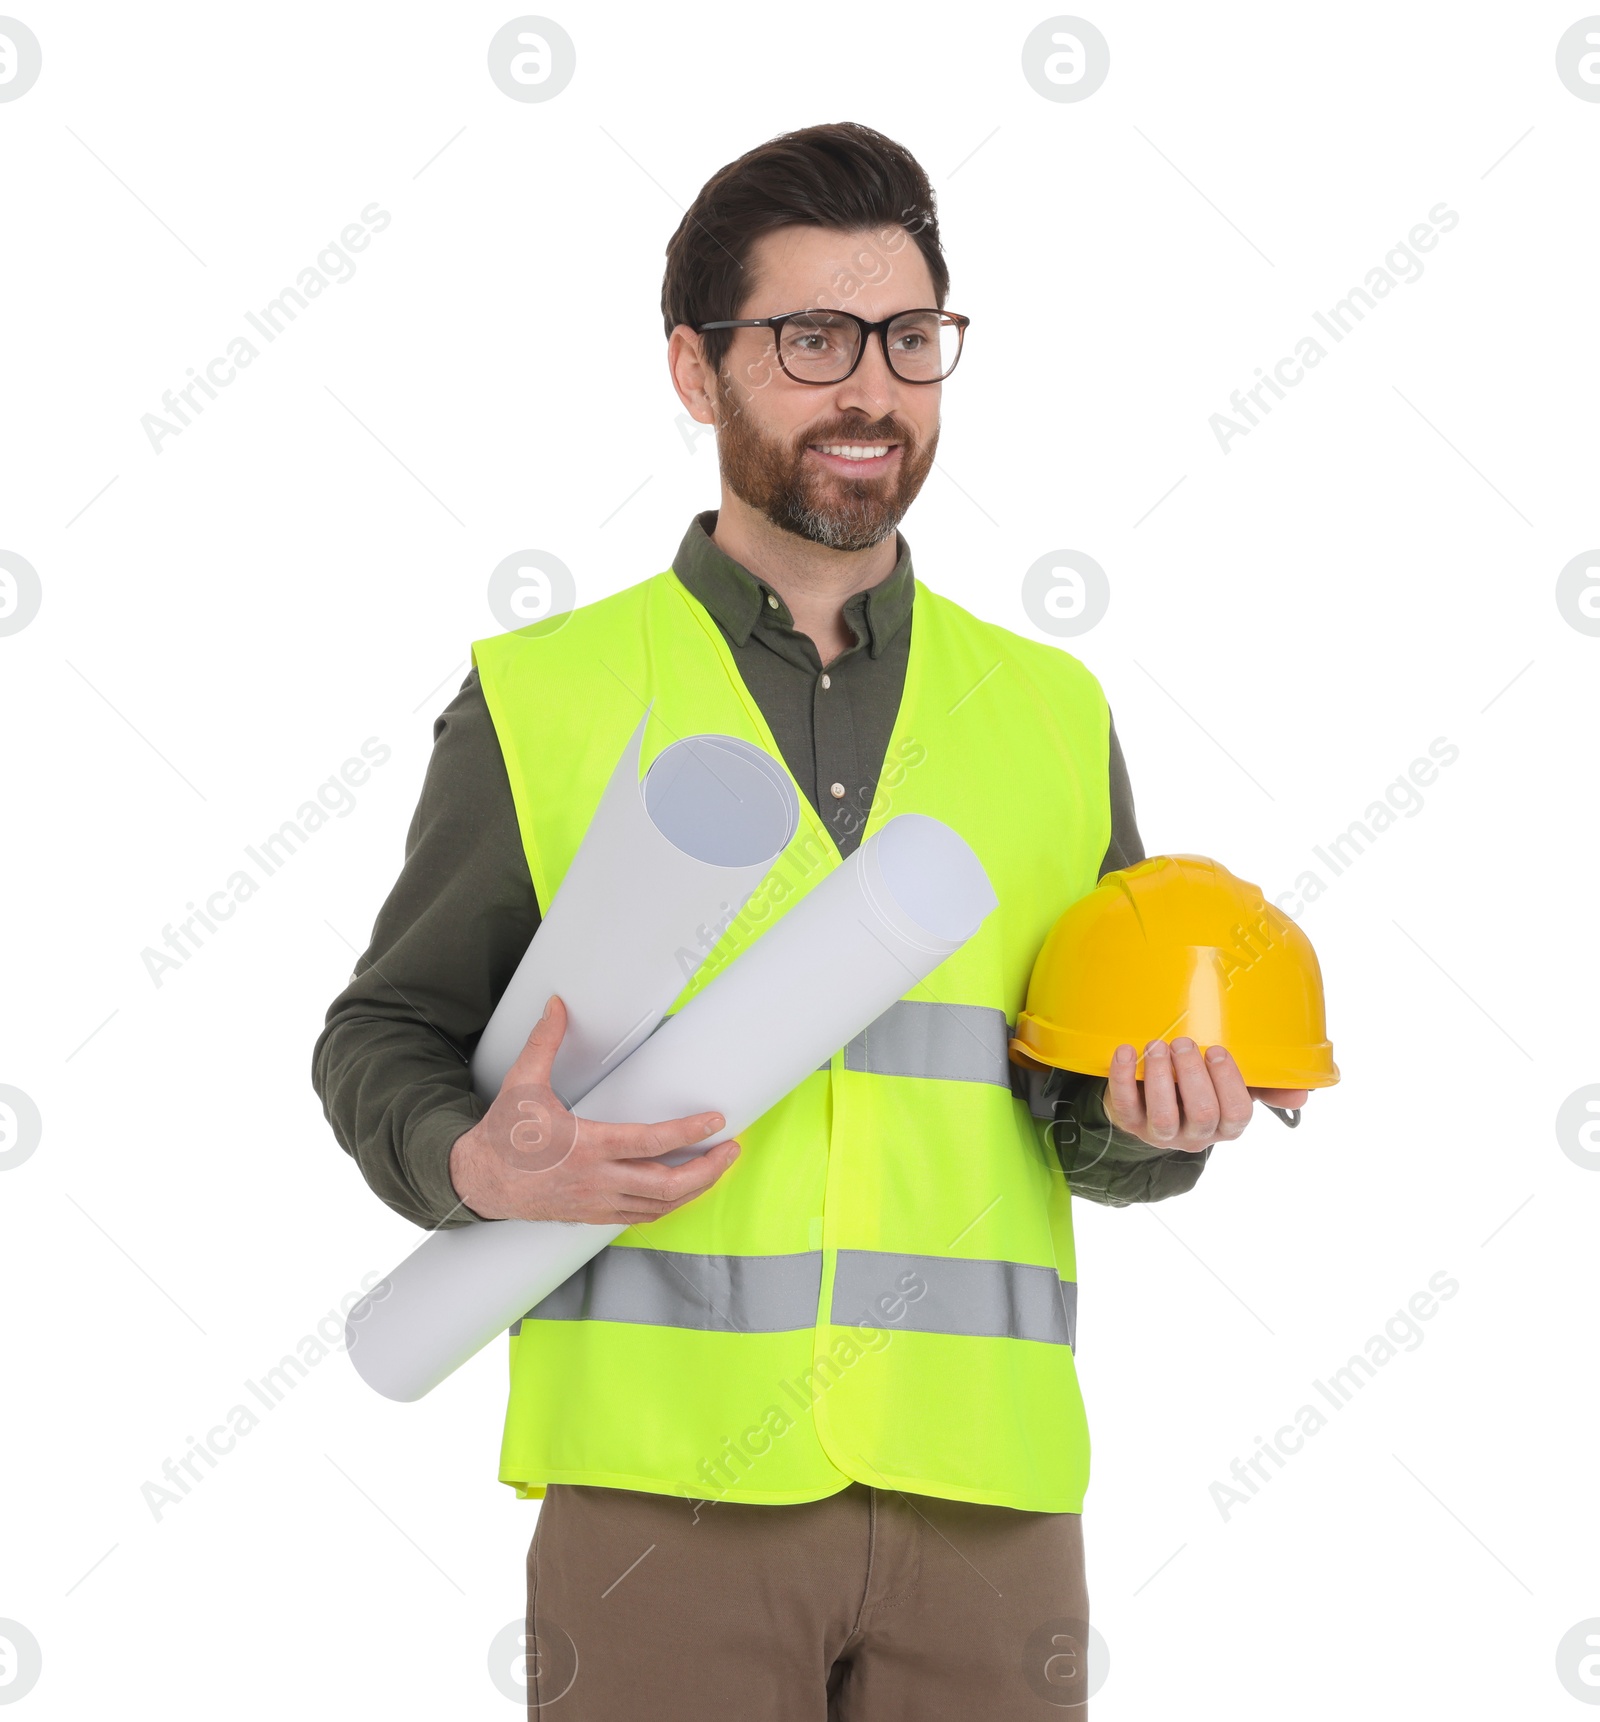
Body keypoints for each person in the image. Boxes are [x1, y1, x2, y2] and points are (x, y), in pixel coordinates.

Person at [313, 120, 1309, 1721]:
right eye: (813, 339)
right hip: (659, 1497)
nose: (873, 389)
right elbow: (383, 1034)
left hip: (983, 1498)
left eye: (912, 340)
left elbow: (1084, 1114)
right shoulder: (547, 699)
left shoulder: (1049, 710)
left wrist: (1160, 1125)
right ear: (698, 374)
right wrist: (470, 1161)